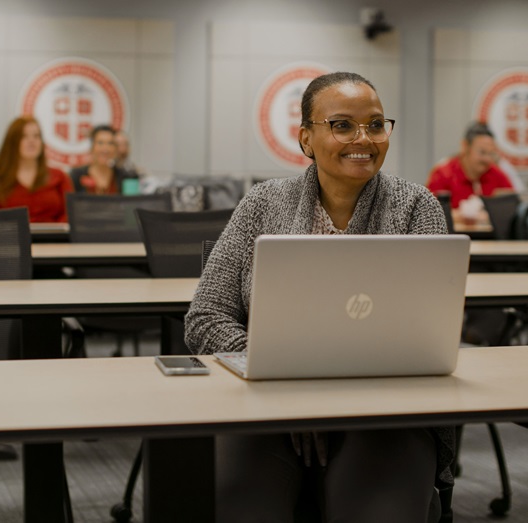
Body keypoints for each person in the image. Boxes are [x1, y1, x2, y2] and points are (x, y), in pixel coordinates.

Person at [185, 72, 452, 523]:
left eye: (375, 124)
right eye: (342, 125)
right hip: (269, 409)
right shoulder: (263, 204)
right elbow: (206, 316)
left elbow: (428, 331)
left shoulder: (415, 205)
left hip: (384, 411)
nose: (362, 138)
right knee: (237, 507)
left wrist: (331, 398)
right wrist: (287, 385)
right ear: (306, 138)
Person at [0, 116, 73, 222]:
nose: (32, 141)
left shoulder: (59, 177)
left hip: (53, 237)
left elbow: (70, 214)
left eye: (36, 136)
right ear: (12, 142)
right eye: (24, 136)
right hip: (12, 237)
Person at [68, 125, 138, 194]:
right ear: (92, 147)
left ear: (115, 149)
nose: (105, 149)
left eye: (110, 143)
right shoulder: (77, 176)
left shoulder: (124, 177)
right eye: (100, 143)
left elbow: (131, 203)